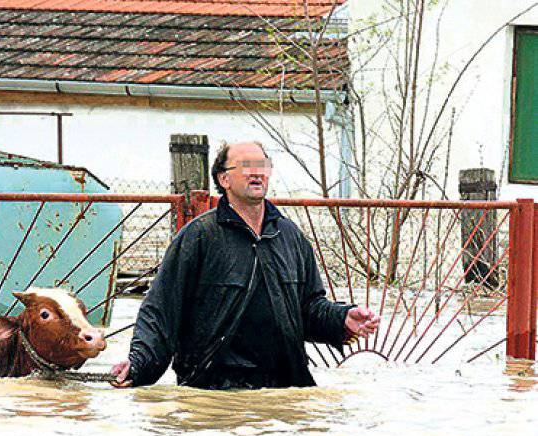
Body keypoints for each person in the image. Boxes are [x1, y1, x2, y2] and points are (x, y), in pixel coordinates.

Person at [110, 142, 380, 390]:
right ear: (223, 179)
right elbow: (161, 310)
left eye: (262, 166)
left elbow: (308, 309)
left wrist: (342, 318)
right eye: (246, 167)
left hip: (284, 387)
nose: (256, 173)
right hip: (214, 390)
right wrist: (139, 365)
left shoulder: (290, 237)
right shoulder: (199, 236)